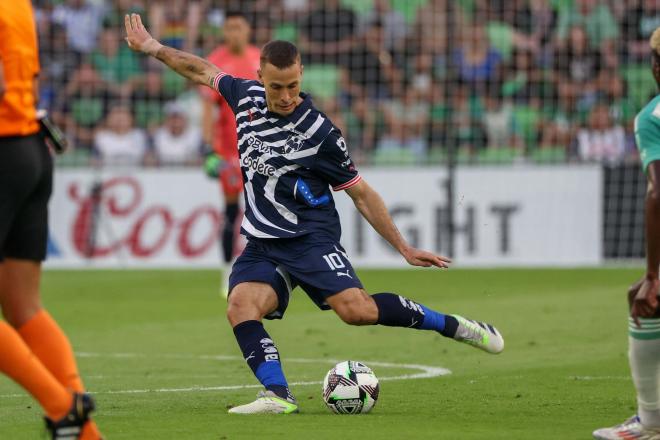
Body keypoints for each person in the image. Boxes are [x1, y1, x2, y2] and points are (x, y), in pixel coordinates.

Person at [125, 12, 504, 415]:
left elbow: (361, 194)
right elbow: (202, 69)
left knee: (357, 312)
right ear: (260, 77)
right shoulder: (245, 97)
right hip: (265, 243)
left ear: (302, 75)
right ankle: (278, 396)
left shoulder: (320, 133)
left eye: (292, 86)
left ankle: (456, 326)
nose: (285, 96)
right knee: (240, 305)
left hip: (310, 239)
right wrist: (153, 47)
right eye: (276, 87)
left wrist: (404, 248)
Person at [0, 1, 102, 438]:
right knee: (24, 308)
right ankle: (83, 429)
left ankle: (63, 406)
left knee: (23, 308)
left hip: (3, 147)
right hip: (28, 150)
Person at [593, 26, 660, 440]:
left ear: (655, 66)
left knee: (644, 300)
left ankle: (651, 421)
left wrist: (653, 273)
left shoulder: (652, 117)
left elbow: (658, 194)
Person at [201, 10, 261, 296]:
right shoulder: (216, 60)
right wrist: (207, 147)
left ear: (248, 30)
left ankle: (260, 270)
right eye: (229, 28)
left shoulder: (259, 57)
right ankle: (227, 271)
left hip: (259, 147)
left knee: (261, 207)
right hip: (227, 150)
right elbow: (207, 108)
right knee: (230, 210)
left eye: (239, 27)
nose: (234, 33)